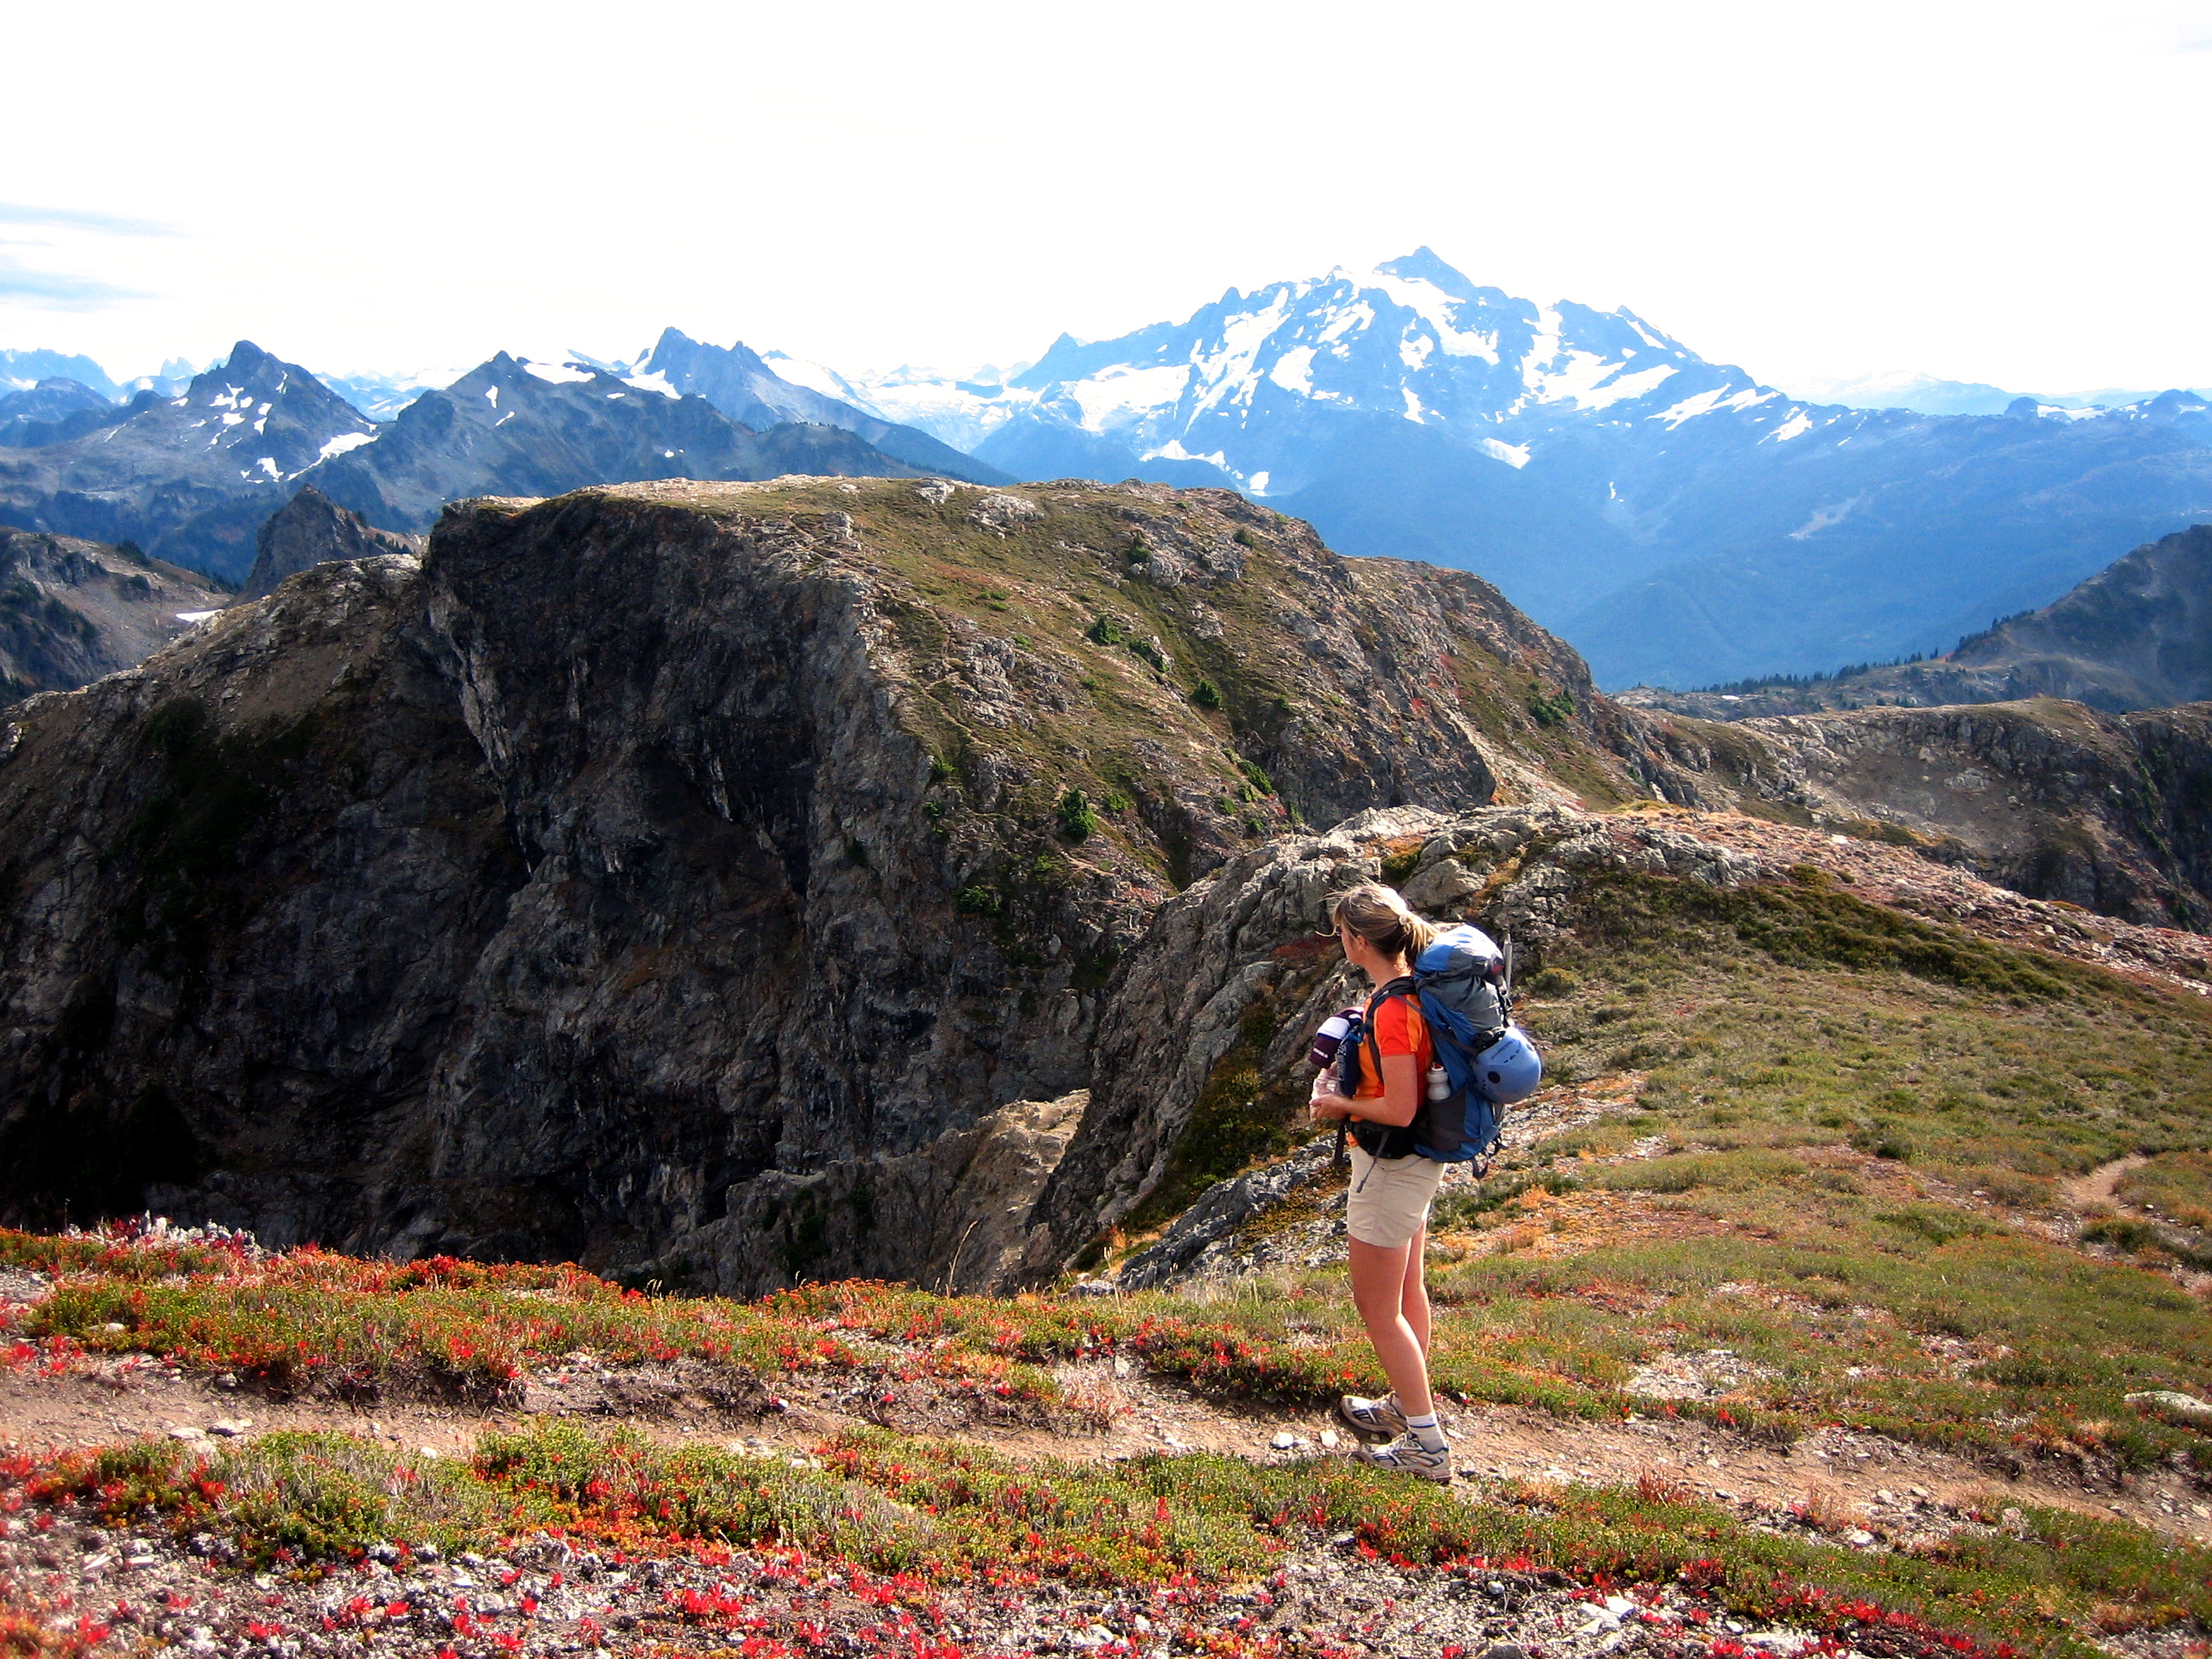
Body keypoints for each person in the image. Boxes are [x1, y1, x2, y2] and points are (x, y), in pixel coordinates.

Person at [1307, 882, 1453, 1482]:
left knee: (1376, 1308)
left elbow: (1398, 1106)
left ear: (1360, 940)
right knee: (1407, 1291)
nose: (1338, 940)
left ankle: (1427, 1447)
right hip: (1413, 1162)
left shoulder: (1395, 1010)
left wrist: (1338, 1104)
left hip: (1391, 1164)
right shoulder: (1410, 990)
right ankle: (1405, 1405)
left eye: (1341, 932)